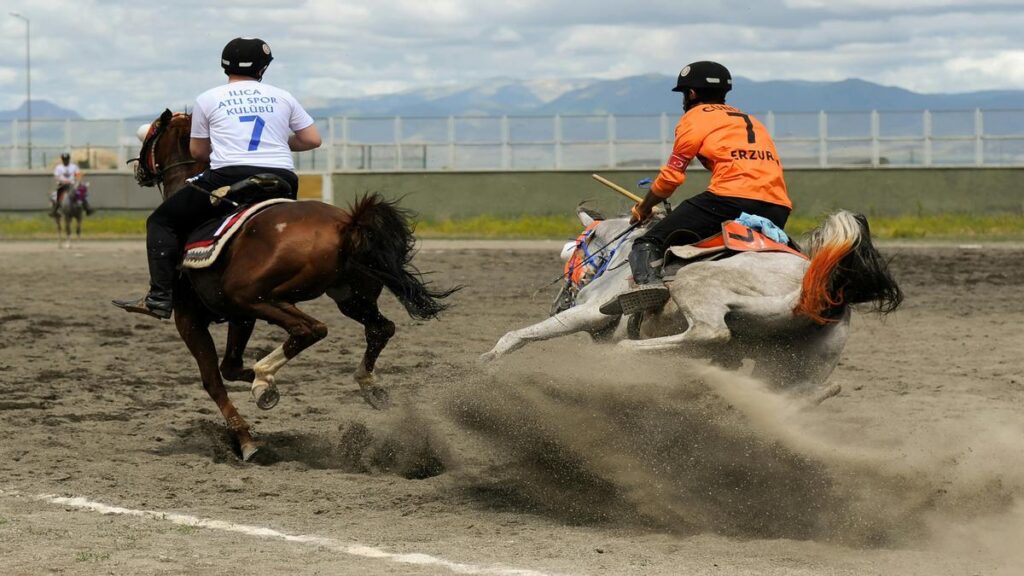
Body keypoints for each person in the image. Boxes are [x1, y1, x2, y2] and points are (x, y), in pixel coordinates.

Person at [113, 37, 322, 320]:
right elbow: (312, 139)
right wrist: (281, 144)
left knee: (161, 221)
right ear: (262, 69)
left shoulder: (208, 99)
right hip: (283, 178)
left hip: (229, 177)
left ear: (225, 67)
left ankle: (159, 297)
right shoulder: (283, 96)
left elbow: (198, 151)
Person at [601, 61, 793, 317]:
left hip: (728, 201)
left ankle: (647, 292)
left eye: (683, 94)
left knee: (647, 242)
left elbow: (670, 178)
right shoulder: (751, 120)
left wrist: (643, 208)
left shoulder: (694, 118)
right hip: (778, 207)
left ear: (691, 94)